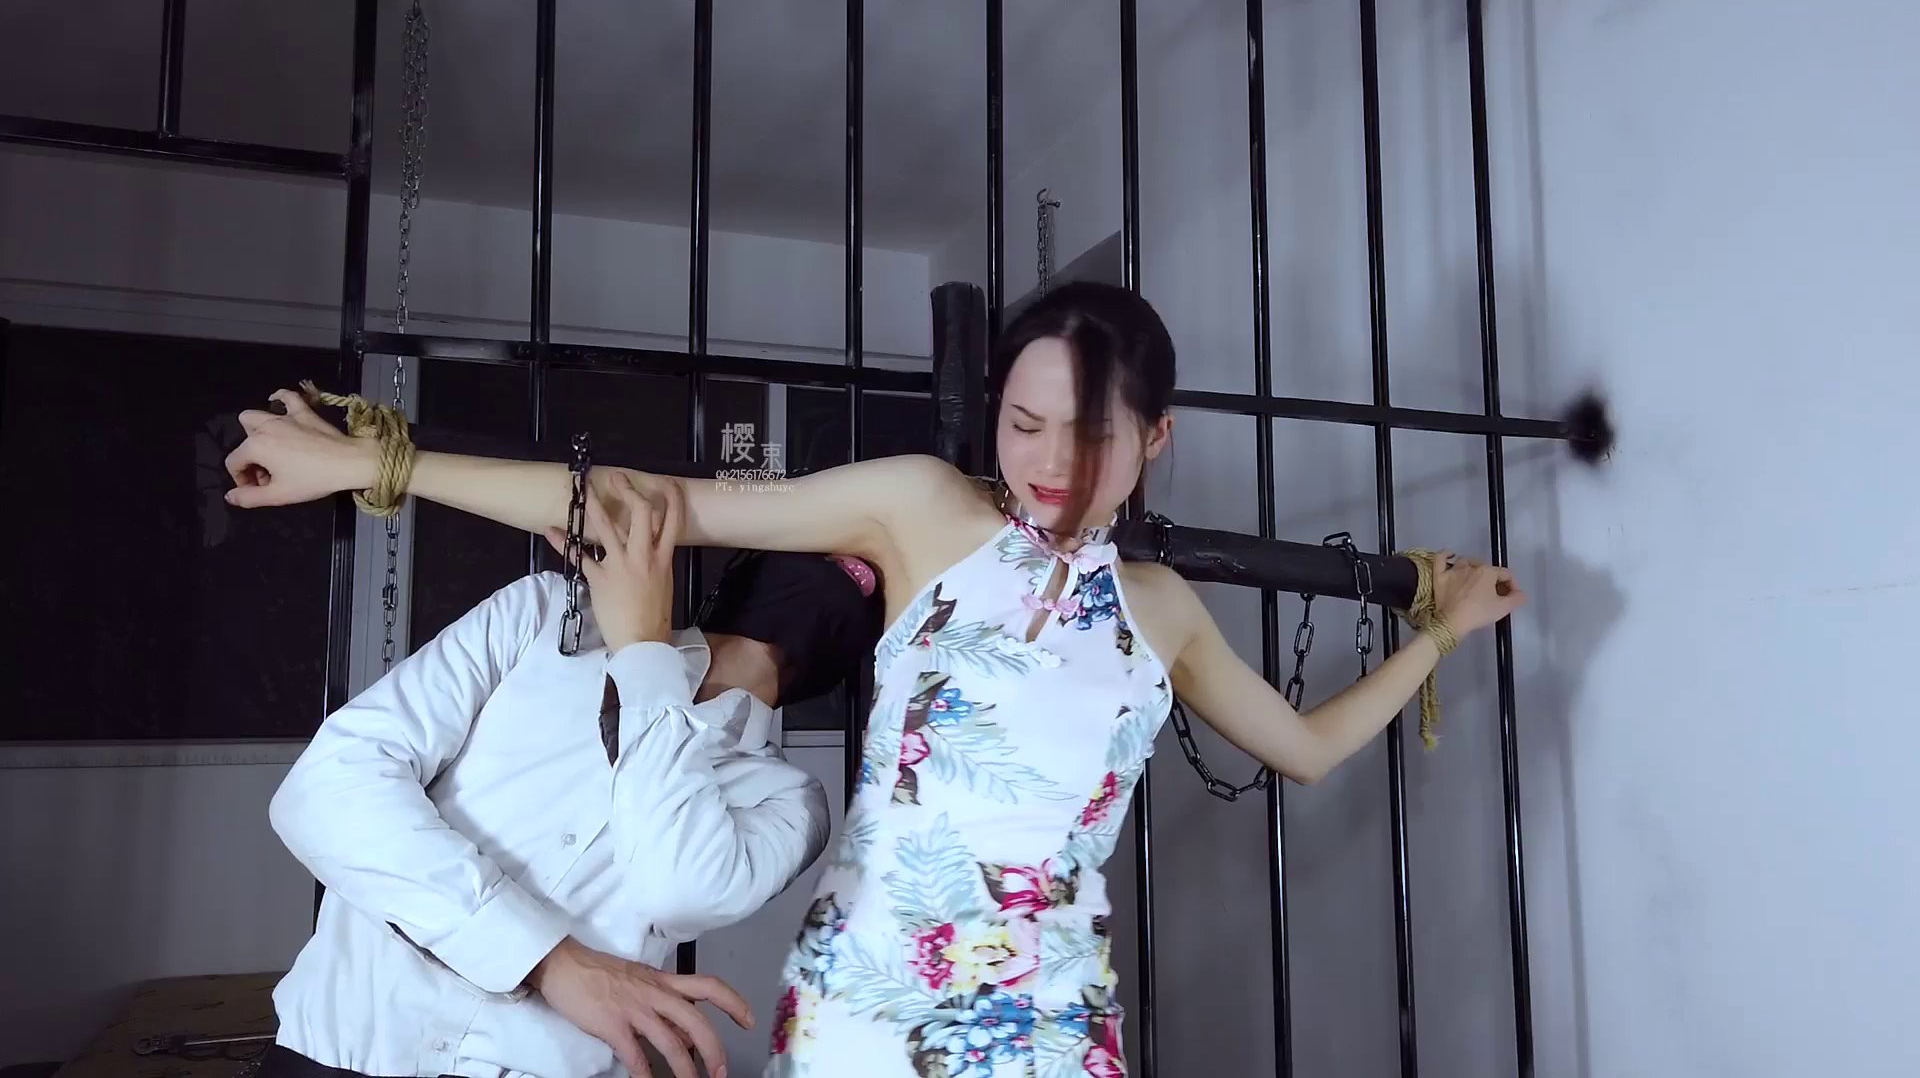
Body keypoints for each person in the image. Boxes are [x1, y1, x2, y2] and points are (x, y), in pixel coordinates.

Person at [226, 281, 1526, 1077]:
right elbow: (647, 501)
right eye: (1024, 423)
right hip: (872, 991)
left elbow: (1304, 750)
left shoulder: (1163, 611)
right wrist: (374, 468)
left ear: (1155, 437)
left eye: (1090, 433)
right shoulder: (923, 510)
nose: (1050, 463)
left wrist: (1442, 632)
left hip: (1049, 1005)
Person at [254, 471, 884, 1078]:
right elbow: (327, 789)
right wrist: (546, 960)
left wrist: (646, 659)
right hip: (330, 1056)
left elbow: (678, 887)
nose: (844, 567)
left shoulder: (791, 803)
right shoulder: (547, 617)